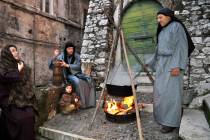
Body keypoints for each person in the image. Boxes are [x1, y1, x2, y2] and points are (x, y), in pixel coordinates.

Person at [146, 8, 193, 133]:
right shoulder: (162, 31)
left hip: (172, 63)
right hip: (162, 64)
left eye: (160, 17)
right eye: (157, 18)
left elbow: (181, 46)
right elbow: (158, 49)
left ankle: (171, 122)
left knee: (171, 94)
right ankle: (163, 118)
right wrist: (151, 62)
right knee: (160, 93)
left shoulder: (176, 27)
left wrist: (176, 66)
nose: (158, 20)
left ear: (169, 17)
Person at [0, 44, 37, 140]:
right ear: (7, 53)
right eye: (13, 50)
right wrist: (18, 70)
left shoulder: (20, 63)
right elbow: (4, 77)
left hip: (22, 98)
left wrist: (22, 69)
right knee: (21, 119)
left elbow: (26, 80)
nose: (16, 52)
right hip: (8, 99)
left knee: (30, 115)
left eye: (16, 50)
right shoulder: (2, 65)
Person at [48, 42, 96, 108]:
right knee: (78, 81)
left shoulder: (76, 56)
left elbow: (78, 66)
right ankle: (81, 104)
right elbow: (52, 64)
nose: (71, 50)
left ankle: (90, 103)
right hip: (67, 75)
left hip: (78, 74)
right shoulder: (62, 56)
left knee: (90, 80)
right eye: (69, 49)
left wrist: (67, 65)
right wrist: (55, 55)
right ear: (66, 49)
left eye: (72, 49)